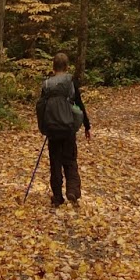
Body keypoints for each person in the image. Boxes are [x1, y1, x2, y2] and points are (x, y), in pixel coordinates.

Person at [36, 50, 91, 207]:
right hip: (68, 128)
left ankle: (58, 197)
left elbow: (41, 107)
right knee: (70, 160)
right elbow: (79, 104)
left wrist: (44, 127)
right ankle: (72, 191)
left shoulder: (47, 85)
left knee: (55, 163)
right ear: (66, 66)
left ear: (53, 67)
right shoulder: (70, 82)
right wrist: (86, 125)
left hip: (52, 130)